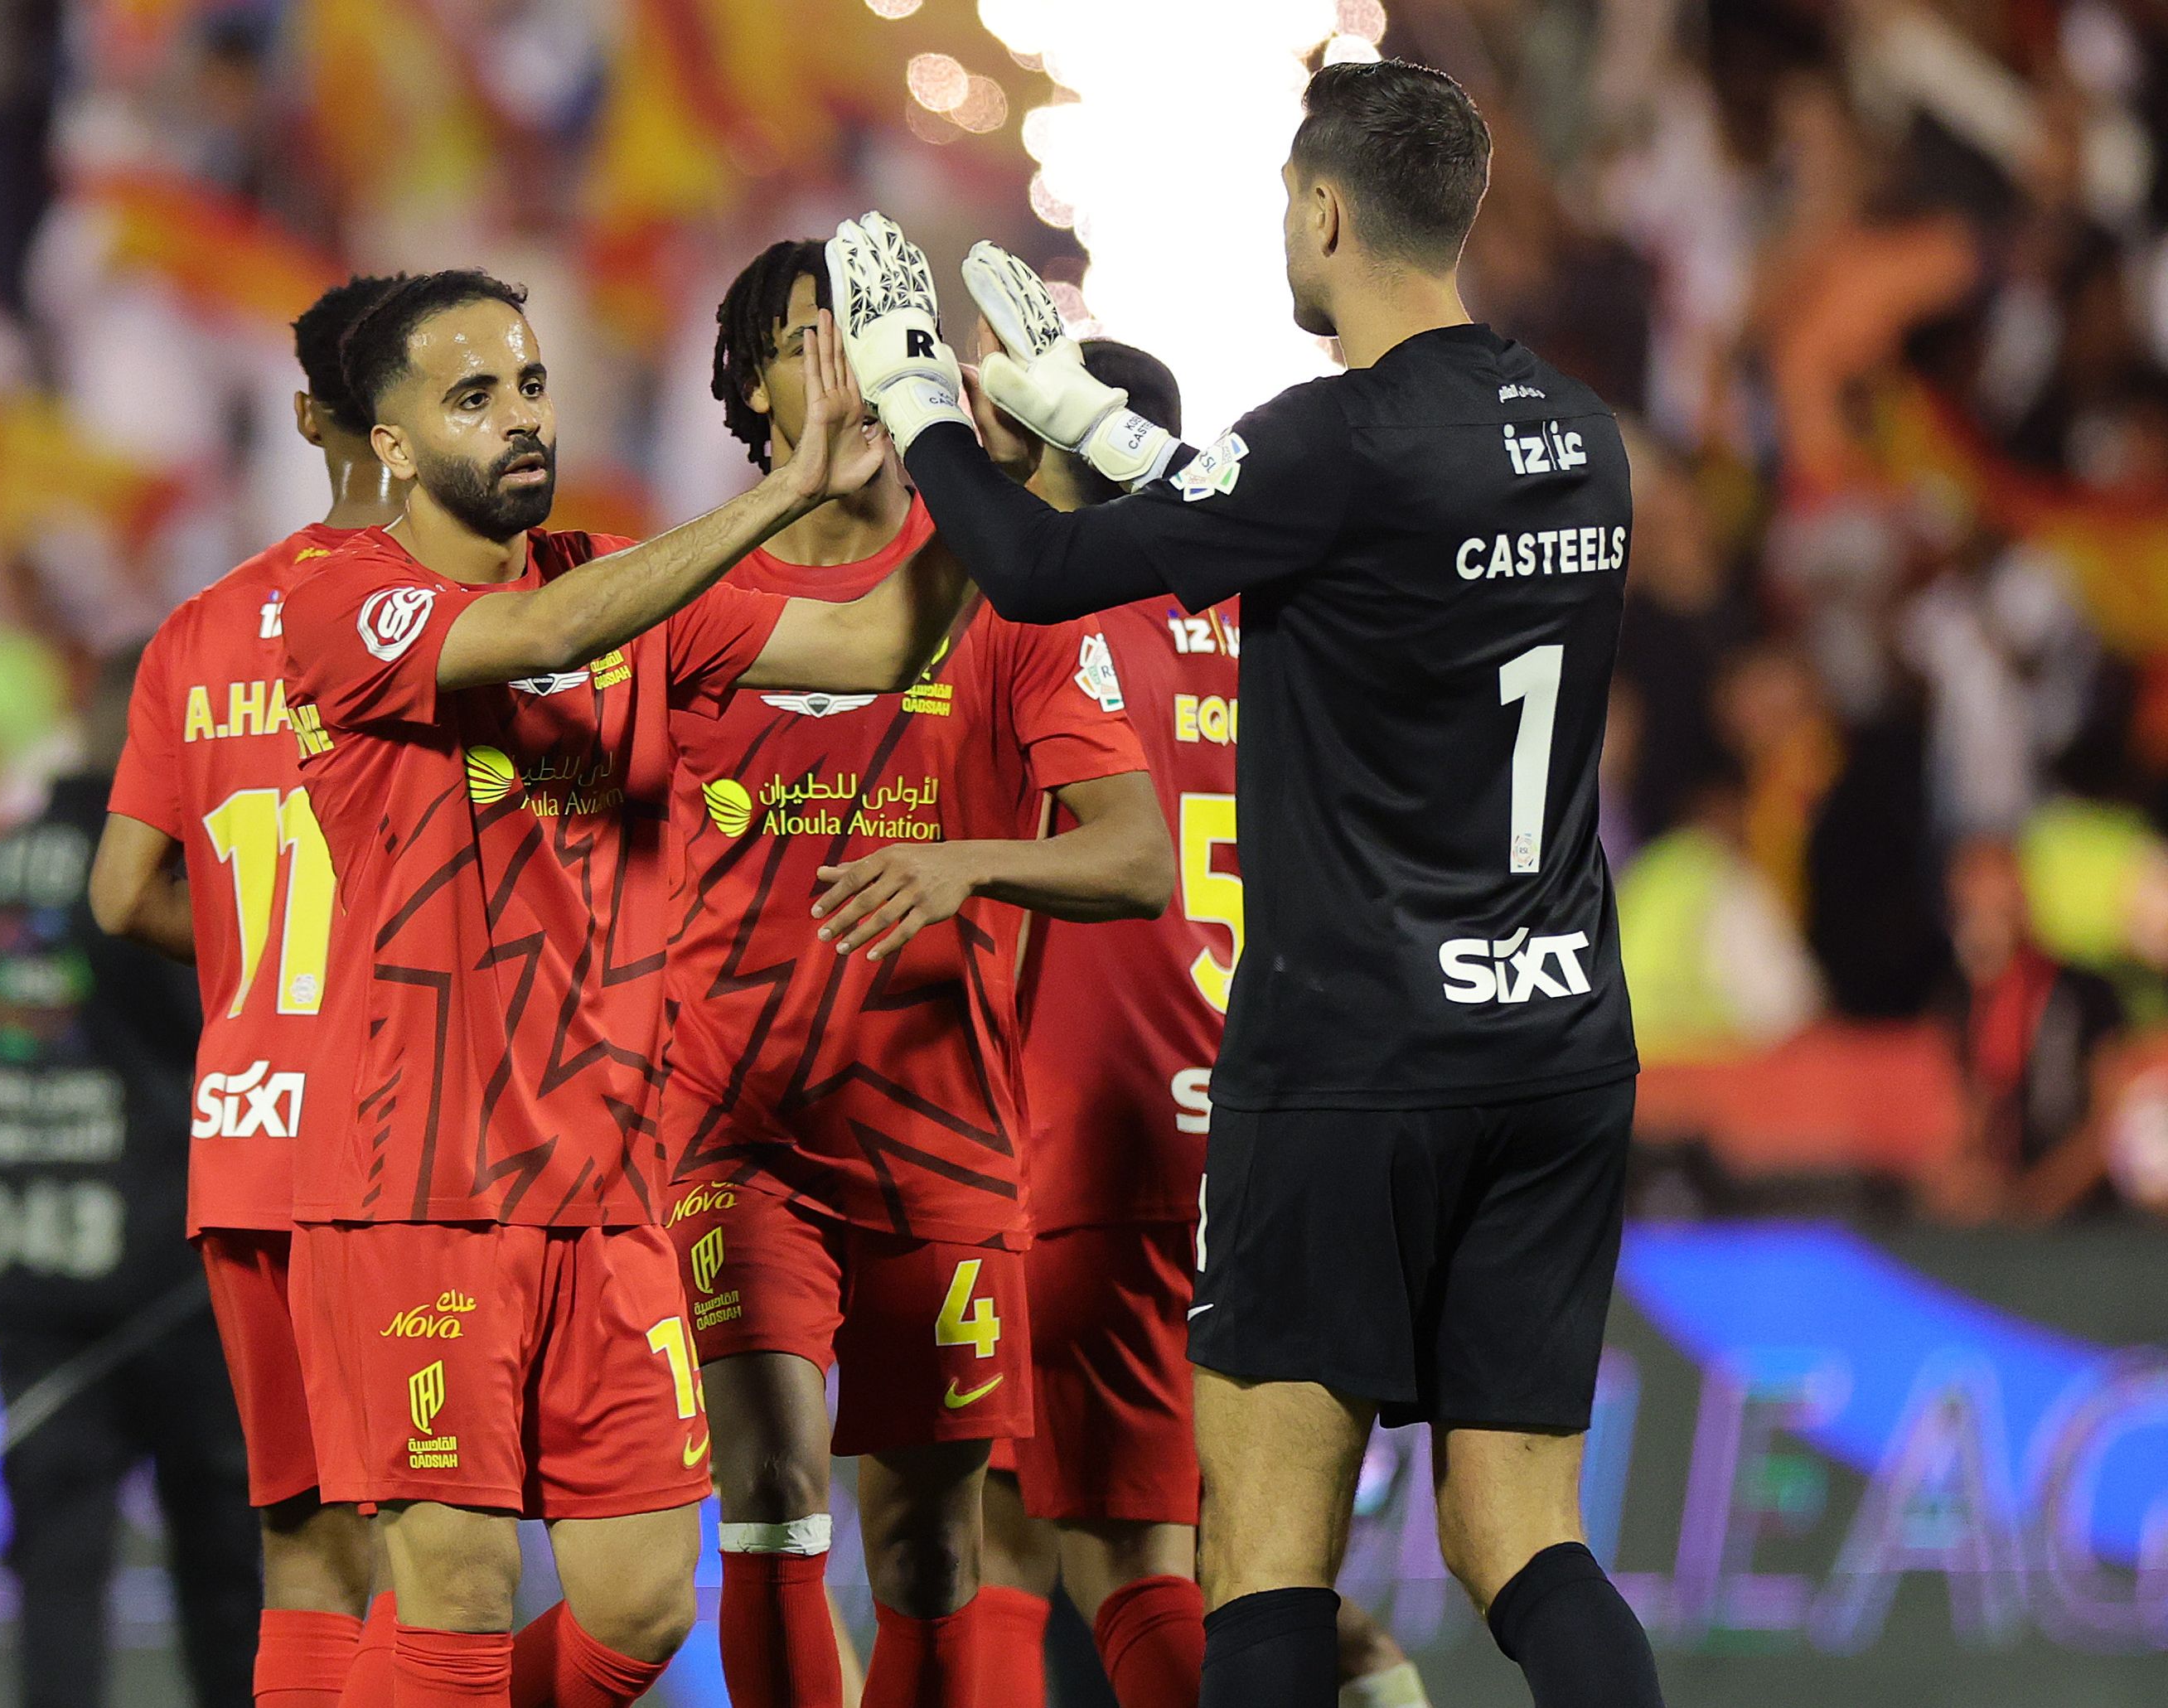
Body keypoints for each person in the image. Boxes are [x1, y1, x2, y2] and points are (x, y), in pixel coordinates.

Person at [830, 59, 1659, 1708]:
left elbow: (1042, 567)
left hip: (1348, 1054)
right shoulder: (1575, 436)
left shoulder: (1328, 437)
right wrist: (1106, 428)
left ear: (1322, 210)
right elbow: (1350, 540)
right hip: (1556, 1037)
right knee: (1519, 1533)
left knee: (1259, 1557)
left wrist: (917, 393)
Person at [273, 268, 968, 1708]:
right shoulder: (343, 598)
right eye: (472, 397)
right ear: (387, 443)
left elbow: (888, 640)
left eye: (528, 384)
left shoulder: (619, 580)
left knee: (642, 1607)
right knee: (454, 1598)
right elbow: (541, 638)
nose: (518, 417)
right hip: (420, 1186)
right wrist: (783, 493)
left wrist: (952, 446)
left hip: (610, 1195)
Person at [663, 240, 1169, 1708]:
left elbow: (1129, 855)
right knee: (765, 1487)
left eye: (885, 333)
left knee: (934, 1552)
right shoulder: (684, 598)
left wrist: (964, 865)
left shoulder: (1001, 602)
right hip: (736, 1132)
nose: (863, 363)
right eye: (818, 338)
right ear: (751, 388)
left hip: (943, 1133)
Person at [964, 341, 1434, 1708]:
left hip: (1093, 1141)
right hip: (1284, 1135)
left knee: (1103, 1554)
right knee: (1229, 1555)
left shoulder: (1044, 623)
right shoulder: (1292, 625)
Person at [85, 273, 416, 1708]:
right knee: (435, 1549)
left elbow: (116, 895)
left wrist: (255, 973)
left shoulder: (201, 630)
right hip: (406, 1139)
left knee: (298, 1537)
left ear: (306, 417)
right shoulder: (470, 616)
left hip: (246, 1125)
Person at [0, 641, 265, 1708]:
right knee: (223, 1550)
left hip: (23, 1242)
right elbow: (217, 1036)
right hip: (166, 1263)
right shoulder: (151, 868)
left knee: (56, 1567)